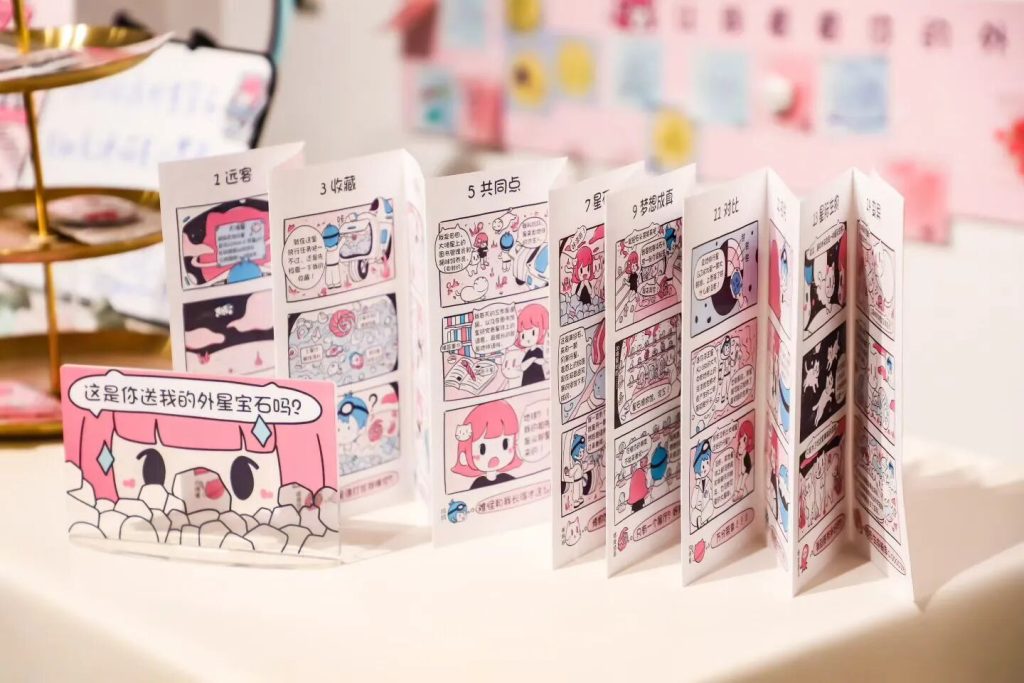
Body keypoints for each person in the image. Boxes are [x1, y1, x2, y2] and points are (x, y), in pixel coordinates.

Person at [451, 400, 523, 490]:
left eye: (505, 444)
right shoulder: (478, 484)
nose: (494, 456)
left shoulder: (508, 479)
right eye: (482, 449)